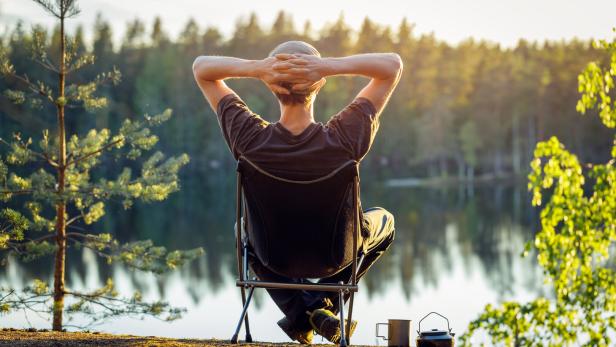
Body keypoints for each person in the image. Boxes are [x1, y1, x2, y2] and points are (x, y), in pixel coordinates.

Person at [193, 41, 402, 344]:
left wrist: (258, 68)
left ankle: (302, 311)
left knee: (242, 229)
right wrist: (327, 67)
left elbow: (201, 69)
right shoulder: (345, 137)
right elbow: (392, 66)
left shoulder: (248, 138)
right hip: (336, 255)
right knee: (386, 220)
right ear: (319, 86)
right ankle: (319, 304)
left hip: (274, 257)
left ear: (272, 86)